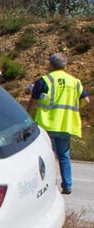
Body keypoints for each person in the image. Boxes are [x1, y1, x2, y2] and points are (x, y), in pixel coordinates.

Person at [27, 53, 89, 195]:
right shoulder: (74, 82)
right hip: (66, 124)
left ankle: (50, 185)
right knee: (64, 155)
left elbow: (33, 101)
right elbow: (86, 100)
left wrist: (28, 117)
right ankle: (67, 185)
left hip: (47, 124)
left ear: (50, 65)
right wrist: (74, 108)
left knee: (48, 157)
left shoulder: (44, 81)